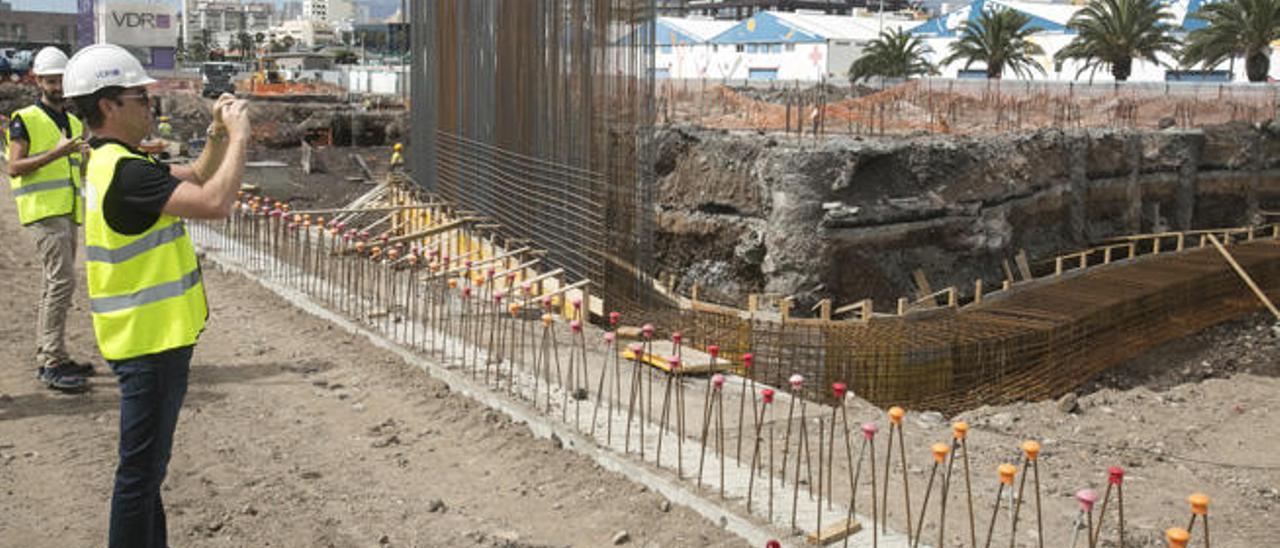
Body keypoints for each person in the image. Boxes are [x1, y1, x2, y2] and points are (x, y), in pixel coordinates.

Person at [63, 43, 251, 548]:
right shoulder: (124, 173)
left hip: (147, 339)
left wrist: (214, 133)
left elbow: (195, 177)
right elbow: (213, 202)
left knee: (148, 475)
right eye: (141, 98)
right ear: (109, 105)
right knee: (139, 477)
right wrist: (240, 138)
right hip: (149, 343)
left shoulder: (116, 163)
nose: (151, 107)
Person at [5, 46, 92, 392]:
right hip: (43, 211)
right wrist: (59, 151)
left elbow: (74, 169)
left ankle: (53, 352)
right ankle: (50, 362)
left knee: (56, 283)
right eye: (50, 80)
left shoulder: (71, 122)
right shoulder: (24, 118)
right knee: (61, 282)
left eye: (61, 80)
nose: (57, 86)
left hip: (68, 211)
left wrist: (83, 157)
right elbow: (14, 166)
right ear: (38, 81)